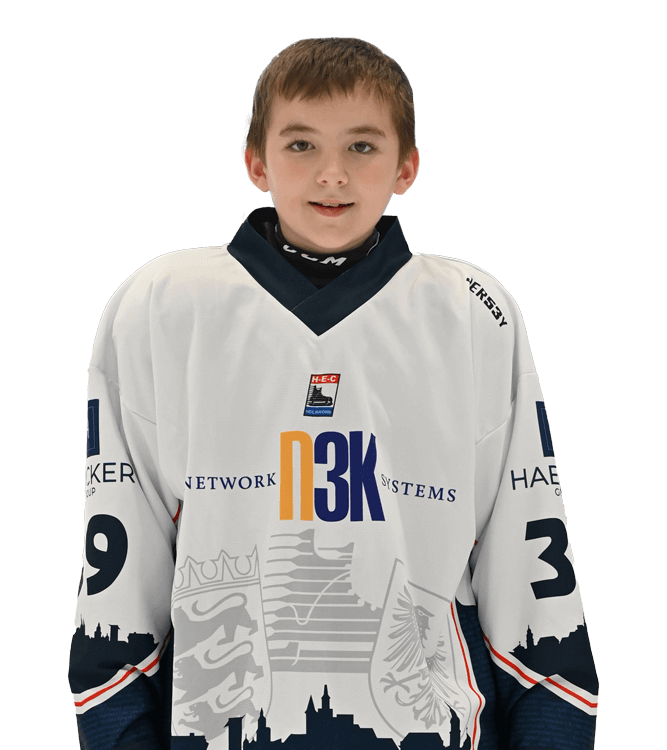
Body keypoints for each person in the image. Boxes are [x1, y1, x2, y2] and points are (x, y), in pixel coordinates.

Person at [70, 37, 598, 749]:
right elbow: (118, 567)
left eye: (361, 146)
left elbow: (531, 563)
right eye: (300, 145)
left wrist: (552, 731)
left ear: (407, 166)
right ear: (255, 161)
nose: (331, 174)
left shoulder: (475, 311)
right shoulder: (160, 307)